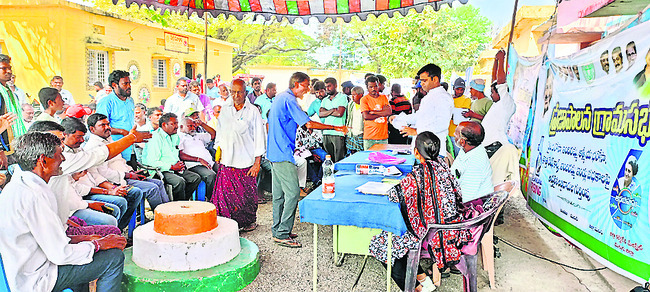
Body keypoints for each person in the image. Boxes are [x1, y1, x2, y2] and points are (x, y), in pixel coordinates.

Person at [0, 132, 127, 292]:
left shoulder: (20, 184)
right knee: (113, 258)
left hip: (28, 265)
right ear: (43, 160)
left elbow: (49, 239)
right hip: (37, 278)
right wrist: (97, 244)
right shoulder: (34, 195)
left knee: (86, 255)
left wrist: (85, 239)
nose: (64, 159)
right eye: (60, 154)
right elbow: (60, 254)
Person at [369, 131, 470, 292]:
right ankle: (424, 281)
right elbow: (457, 194)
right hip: (452, 228)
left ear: (416, 152)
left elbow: (394, 196)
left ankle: (415, 289)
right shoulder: (444, 167)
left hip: (434, 234)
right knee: (397, 240)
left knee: (383, 245)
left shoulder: (417, 175)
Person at [267, 72, 347, 248]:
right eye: (306, 85)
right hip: (282, 153)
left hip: (275, 151)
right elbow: (308, 123)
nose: (308, 89)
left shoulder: (281, 97)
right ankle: (282, 233)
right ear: (296, 84)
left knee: (279, 195)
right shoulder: (288, 99)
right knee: (294, 193)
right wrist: (335, 127)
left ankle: (279, 230)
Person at [61, 117, 144, 231]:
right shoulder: (64, 157)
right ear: (64, 135)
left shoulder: (79, 149)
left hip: (95, 187)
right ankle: (114, 232)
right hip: (84, 195)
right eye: (78, 137)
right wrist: (110, 190)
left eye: (83, 137)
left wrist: (112, 188)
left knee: (132, 193)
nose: (82, 141)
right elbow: (78, 188)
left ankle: (118, 230)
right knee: (119, 203)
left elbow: (94, 174)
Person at [85, 113, 170, 211]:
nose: (107, 127)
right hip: (115, 181)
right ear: (92, 129)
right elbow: (104, 173)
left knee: (159, 183)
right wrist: (127, 175)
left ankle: (167, 214)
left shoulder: (109, 140)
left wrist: (131, 172)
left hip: (126, 175)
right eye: (102, 125)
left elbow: (120, 162)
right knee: (152, 188)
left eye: (108, 124)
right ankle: (160, 217)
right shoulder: (93, 147)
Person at [212, 79, 265, 231]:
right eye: (233, 92)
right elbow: (220, 133)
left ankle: (246, 223)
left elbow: (259, 138)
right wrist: (218, 149)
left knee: (245, 197)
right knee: (224, 197)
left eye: (239, 92)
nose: (236, 95)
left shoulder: (252, 111)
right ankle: (226, 226)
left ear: (245, 93)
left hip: (246, 162)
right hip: (227, 160)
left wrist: (257, 163)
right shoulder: (225, 109)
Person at [390, 64, 453, 156]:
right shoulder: (431, 96)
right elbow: (419, 116)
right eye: (421, 81)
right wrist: (399, 118)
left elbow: (442, 124)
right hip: (422, 149)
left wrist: (416, 131)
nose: (421, 84)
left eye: (424, 80)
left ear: (435, 79)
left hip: (433, 151)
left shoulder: (443, 97)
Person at [142, 113, 201, 201]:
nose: (177, 126)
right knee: (179, 182)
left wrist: (179, 164)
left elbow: (174, 155)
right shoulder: (155, 137)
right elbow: (152, 162)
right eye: (173, 124)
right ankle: (176, 207)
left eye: (177, 123)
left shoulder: (174, 137)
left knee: (195, 178)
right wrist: (172, 167)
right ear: (164, 125)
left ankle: (181, 202)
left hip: (174, 168)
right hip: (159, 171)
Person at [97, 70, 136, 160]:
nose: (129, 86)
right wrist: (121, 131)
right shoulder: (106, 102)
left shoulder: (130, 101)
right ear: (114, 85)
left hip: (131, 148)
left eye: (129, 83)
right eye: (125, 84)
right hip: (115, 149)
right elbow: (100, 127)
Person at [451, 121, 493, 203]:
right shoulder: (467, 149)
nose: (453, 134)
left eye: (456, 134)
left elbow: (466, 199)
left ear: (462, 142)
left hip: (472, 206)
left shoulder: (475, 163)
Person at [482, 50, 515, 154]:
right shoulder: (498, 103)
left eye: (492, 92)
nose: (491, 95)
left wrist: (501, 60)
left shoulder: (506, 102)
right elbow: (494, 80)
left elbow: (500, 81)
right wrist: (495, 61)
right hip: (487, 145)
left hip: (495, 146)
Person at [178, 115, 217, 201]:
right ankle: (212, 201)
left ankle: (223, 199)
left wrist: (202, 124)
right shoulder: (180, 137)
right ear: (181, 127)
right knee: (210, 175)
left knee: (223, 171)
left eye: (194, 125)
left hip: (209, 162)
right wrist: (199, 159)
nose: (193, 128)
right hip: (194, 165)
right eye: (190, 126)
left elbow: (213, 134)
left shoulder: (198, 135)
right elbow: (181, 155)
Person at [0, 54, 28, 144]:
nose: (8, 71)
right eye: (4, 68)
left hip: (16, 142)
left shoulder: (9, 92)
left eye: (10, 68)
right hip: (4, 145)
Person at [319, 77, 348, 162]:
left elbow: (339, 113)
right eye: (326, 87)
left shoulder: (342, 97)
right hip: (326, 132)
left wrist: (326, 112)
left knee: (339, 159)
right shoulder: (325, 99)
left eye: (329, 86)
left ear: (335, 85)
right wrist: (333, 110)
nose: (327, 89)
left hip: (338, 132)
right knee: (328, 160)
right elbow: (321, 114)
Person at [360, 76, 391, 150]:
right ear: (367, 87)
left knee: (383, 160)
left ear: (378, 85)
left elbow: (389, 112)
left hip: (383, 137)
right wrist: (382, 112)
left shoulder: (384, 97)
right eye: (371, 87)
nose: (373, 89)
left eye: (375, 86)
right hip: (369, 138)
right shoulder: (364, 99)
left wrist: (373, 112)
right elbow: (366, 116)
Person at [346, 86, 365, 154]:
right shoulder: (351, 104)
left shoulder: (365, 104)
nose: (352, 97)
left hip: (362, 132)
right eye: (352, 95)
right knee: (352, 151)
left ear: (361, 95)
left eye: (354, 95)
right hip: (352, 132)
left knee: (362, 152)